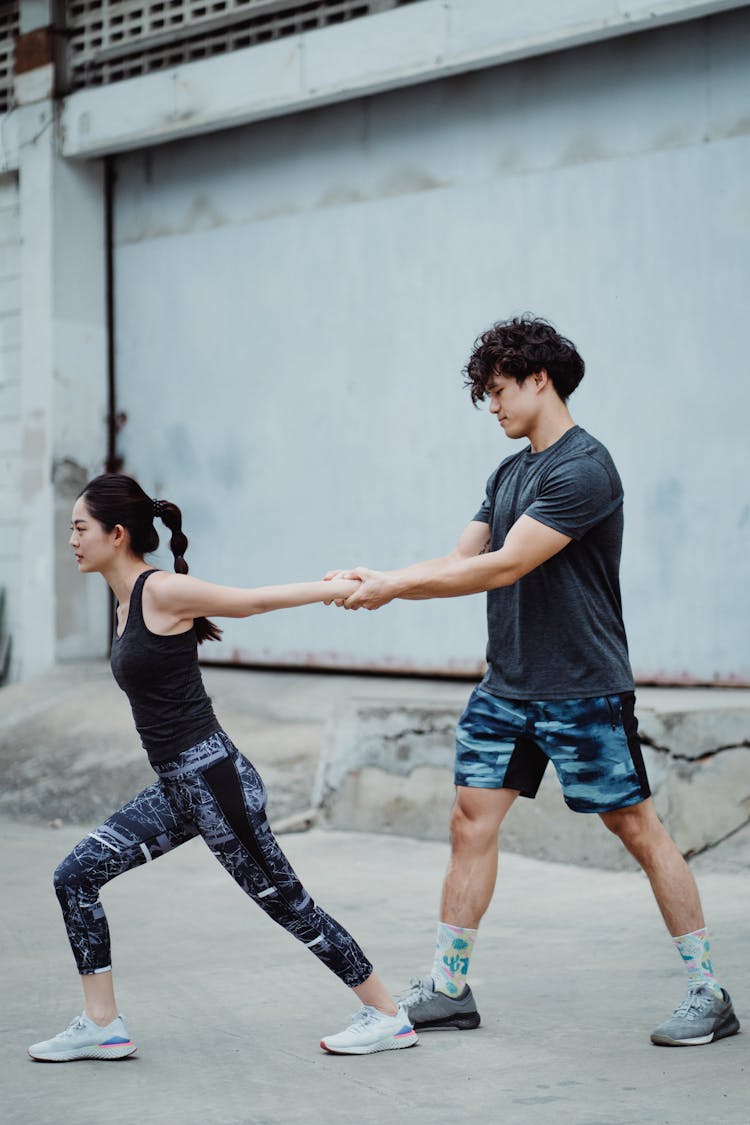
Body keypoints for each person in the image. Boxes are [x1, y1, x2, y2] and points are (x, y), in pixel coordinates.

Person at [327, 315, 739, 1048]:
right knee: (469, 821)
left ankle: (709, 990)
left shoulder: (584, 468)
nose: (491, 405)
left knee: (635, 826)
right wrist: (380, 577)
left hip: (582, 684)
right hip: (507, 686)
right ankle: (451, 987)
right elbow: (461, 559)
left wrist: (392, 585)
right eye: (485, 392)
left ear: (539, 378)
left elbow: (507, 563)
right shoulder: (509, 472)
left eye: (498, 389)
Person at [28, 473, 417, 1062]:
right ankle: (102, 1023)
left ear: (116, 533)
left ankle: (388, 1013)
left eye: (80, 529)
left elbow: (253, 600)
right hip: (178, 788)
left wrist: (331, 585)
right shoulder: (124, 602)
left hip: (216, 782)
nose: (72, 541)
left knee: (286, 901)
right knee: (75, 877)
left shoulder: (159, 592)